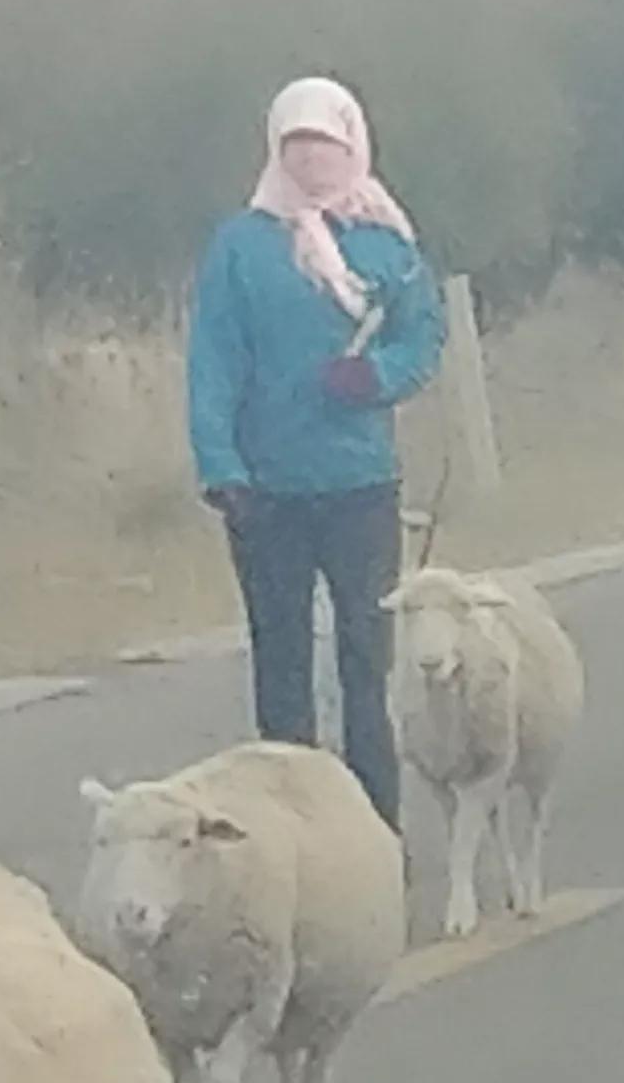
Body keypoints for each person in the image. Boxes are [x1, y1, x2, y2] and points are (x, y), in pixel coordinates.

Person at [185, 74, 446, 824]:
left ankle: (373, 833)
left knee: (367, 661)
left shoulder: (387, 242)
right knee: (282, 664)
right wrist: (221, 467)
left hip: (359, 483)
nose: (312, 162)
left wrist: (377, 375)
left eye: (325, 146)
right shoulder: (242, 245)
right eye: (296, 146)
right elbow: (215, 359)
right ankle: (293, 832)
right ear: (276, 151)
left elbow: (422, 333)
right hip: (266, 489)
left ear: (353, 147)